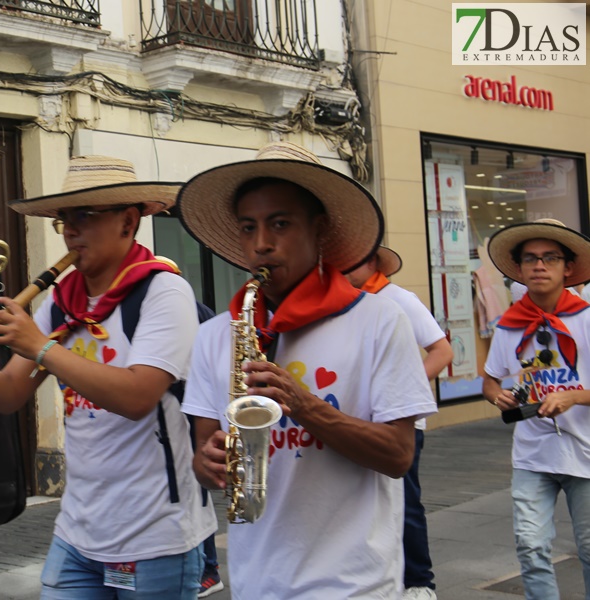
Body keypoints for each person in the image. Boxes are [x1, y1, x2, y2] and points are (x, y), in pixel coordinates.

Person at [0, 155, 216, 599]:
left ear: (129, 222)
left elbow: (138, 397)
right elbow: (10, 393)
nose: (70, 231)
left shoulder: (164, 292)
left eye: (85, 217)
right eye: (64, 219)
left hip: (156, 537)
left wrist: (40, 347)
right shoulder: (62, 302)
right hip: (77, 531)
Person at [178, 141, 436, 598]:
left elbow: (398, 456)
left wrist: (303, 405)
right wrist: (208, 462)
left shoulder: (379, 320)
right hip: (257, 580)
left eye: (280, 224)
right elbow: (202, 459)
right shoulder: (217, 334)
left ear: (318, 231)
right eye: (249, 227)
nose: (262, 244)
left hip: (354, 584)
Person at [481, 219, 590, 600]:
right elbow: (491, 380)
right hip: (532, 454)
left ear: (568, 268)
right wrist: (498, 396)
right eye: (530, 259)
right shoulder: (509, 326)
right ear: (520, 269)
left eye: (550, 258)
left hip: (585, 453)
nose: (539, 266)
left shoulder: (587, 318)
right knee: (530, 547)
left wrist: (574, 397)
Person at [346, 245, 453, 600]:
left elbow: (442, 351)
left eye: (355, 257)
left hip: (400, 423)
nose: (347, 265)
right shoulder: (344, 303)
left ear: (374, 261)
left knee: (405, 503)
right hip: (357, 422)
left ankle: (420, 581)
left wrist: (402, 391)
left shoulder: (398, 299)